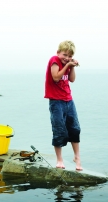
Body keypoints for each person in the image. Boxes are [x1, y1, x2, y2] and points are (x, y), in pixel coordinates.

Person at [44, 40, 82, 171]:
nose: (67, 58)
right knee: (59, 129)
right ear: (58, 52)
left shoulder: (68, 64)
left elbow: (72, 79)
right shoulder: (54, 60)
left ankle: (77, 157)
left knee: (75, 128)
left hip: (68, 100)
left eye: (69, 56)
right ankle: (59, 159)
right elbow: (56, 77)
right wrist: (66, 65)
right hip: (56, 101)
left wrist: (72, 66)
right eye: (64, 55)